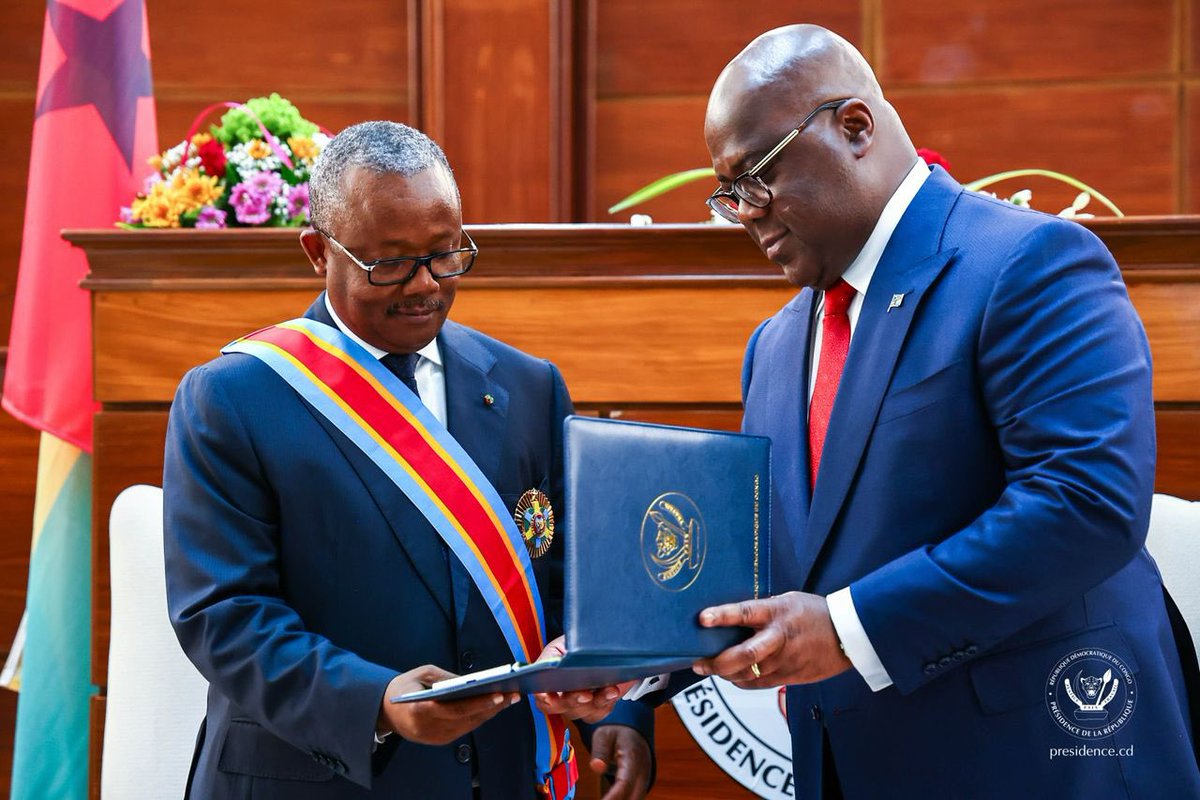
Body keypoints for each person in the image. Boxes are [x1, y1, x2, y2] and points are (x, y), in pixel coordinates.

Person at [670, 24, 1199, 799]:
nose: (745, 211)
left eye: (757, 174)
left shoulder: (1030, 261)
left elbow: (1086, 503)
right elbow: (782, 558)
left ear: (854, 127)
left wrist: (851, 631)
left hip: (1038, 757)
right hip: (848, 765)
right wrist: (628, 674)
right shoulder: (775, 347)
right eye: (729, 191)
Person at [163, 121, 652, 800]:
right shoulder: (233, 400)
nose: (426, 285)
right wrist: (375, 701)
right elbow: (224, 616)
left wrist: (614, 703)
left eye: (446, 254)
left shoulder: (529, 386)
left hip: (502, 777)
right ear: (316, 251)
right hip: (316, 780)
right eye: (389, 262)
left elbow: (583, 579)